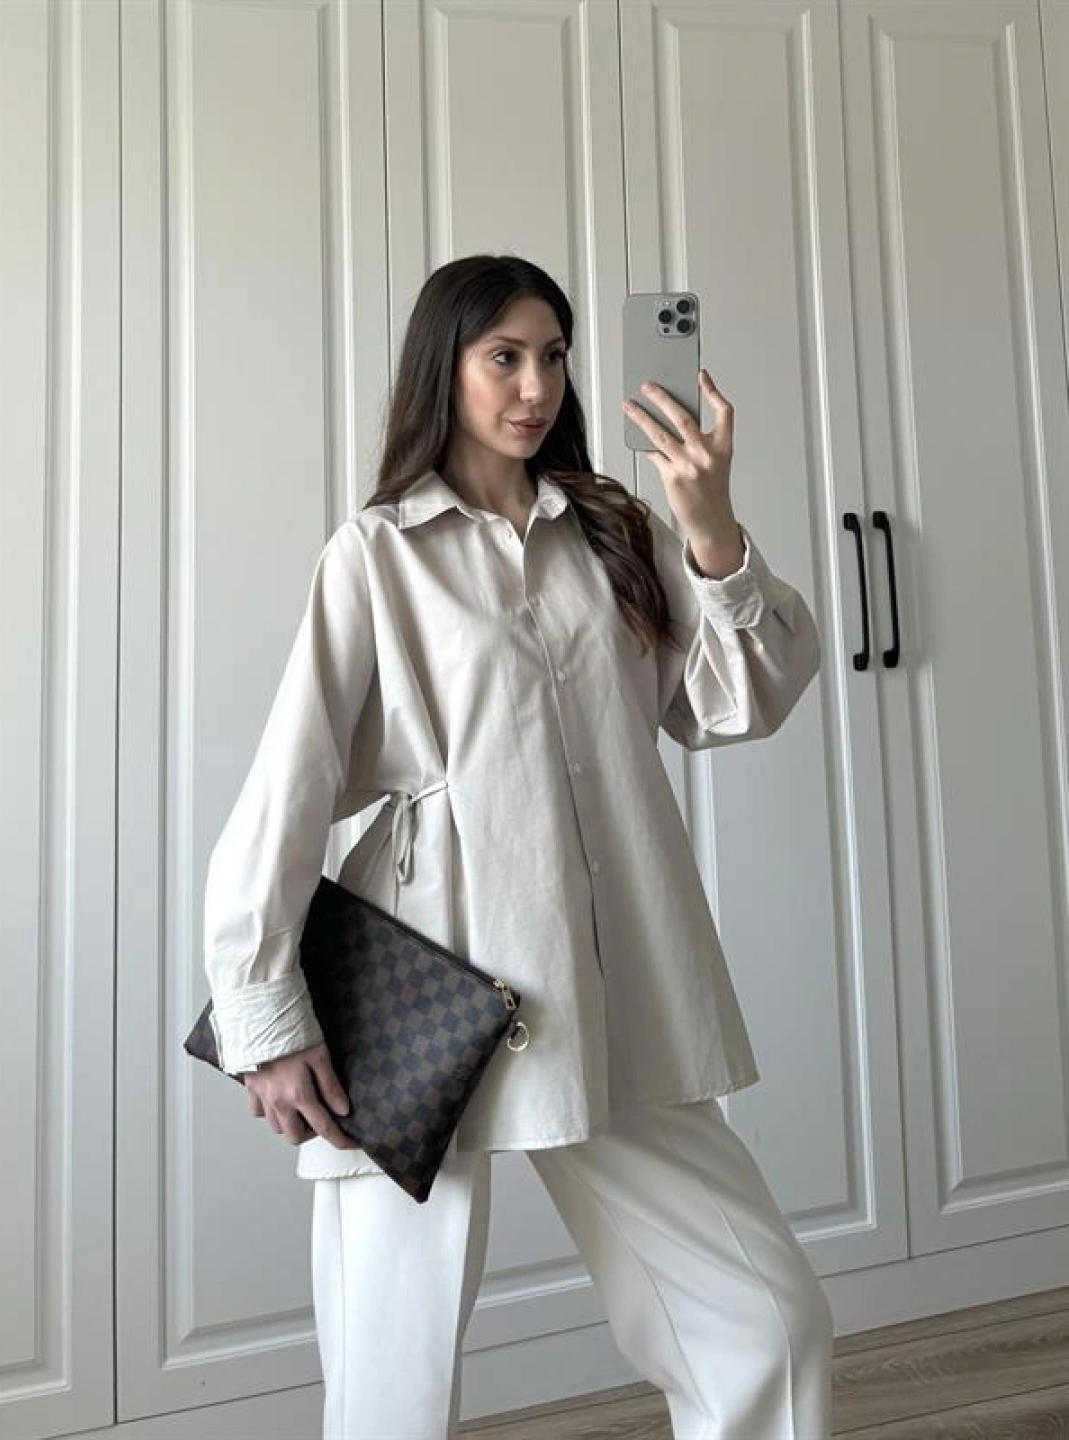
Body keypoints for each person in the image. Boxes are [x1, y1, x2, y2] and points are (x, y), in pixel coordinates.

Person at [203, 254, 832, 1439]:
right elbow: (287, 790)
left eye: (553, 355)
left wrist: (709, 527)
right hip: (421, 996)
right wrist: (264, 1019)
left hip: (609, 984)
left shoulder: (617, 530)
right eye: (504, 356)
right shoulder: (377, 554)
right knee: (391, 1391)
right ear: (444, 368)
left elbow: (738, 700)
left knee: (768, 1325)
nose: (536, 385)